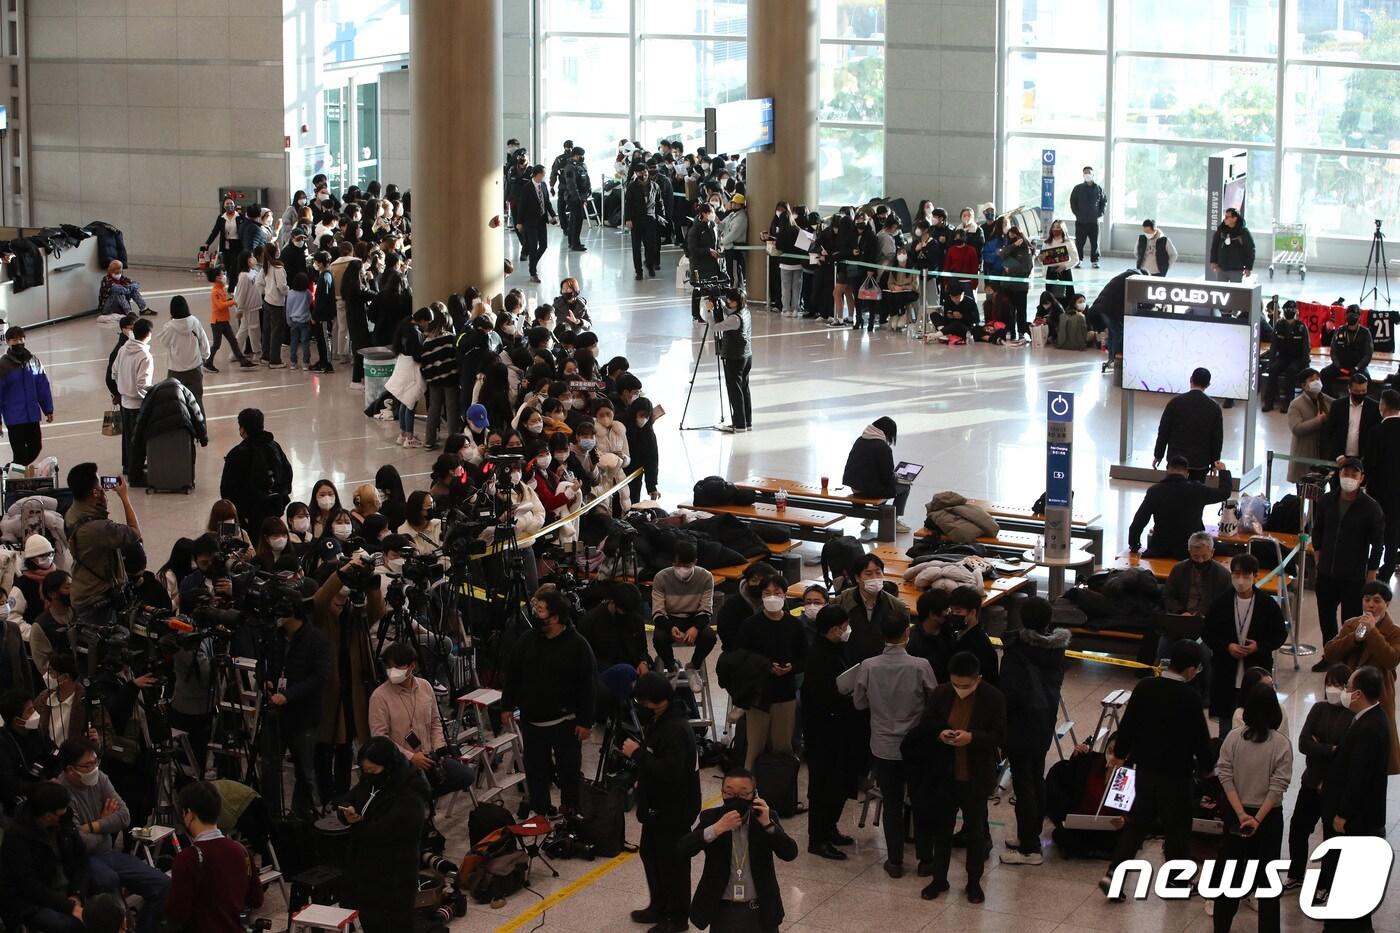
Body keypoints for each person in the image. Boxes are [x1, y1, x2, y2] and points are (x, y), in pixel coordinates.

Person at [1101, 640, 1215, 897]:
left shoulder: (1145, 686)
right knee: (1177, 828)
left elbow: (1128, 725)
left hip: (1146, 770)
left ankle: (1114, 874)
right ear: (1191, 669)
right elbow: (1200, 738)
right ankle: (1175, 880)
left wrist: (1119, 754)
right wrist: (1208, 768)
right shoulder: (1189, 697)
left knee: (1137, 824)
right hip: (1176, 775)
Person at [906, 650, 1007, 903]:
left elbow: (999, 736)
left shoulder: (993, 698)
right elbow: (928, 725)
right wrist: (941, 734)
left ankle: (974, 883)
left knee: (974, 833)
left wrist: (972, 738)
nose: (960, 689)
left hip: (975, 777)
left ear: (978, 679)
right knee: (942, 831)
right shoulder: (941, 693)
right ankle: (939, 879)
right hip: (944, 775)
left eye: (966, 685)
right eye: (956, 684)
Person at [852, 612, 937, 878]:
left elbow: (859, 702)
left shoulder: (868, 666)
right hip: (915, 745)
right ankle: (925, 859)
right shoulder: (920, 665)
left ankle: (896, 861)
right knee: (921, 801)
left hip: (883, 745)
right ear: (906, 633)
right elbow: (934, 701)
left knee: (892, 803)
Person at [56, 739, 169, 933]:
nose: (94, 768)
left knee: (163, 885)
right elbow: (79, 844)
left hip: (109, 854)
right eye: (88, 765)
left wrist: (92, 825)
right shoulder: (61, 794)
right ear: (70, 769)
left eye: (95, 762)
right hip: (84, 861)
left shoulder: (100, 779)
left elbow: (125, 817)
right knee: (108, 881)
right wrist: (106, 826)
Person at [502, 588, 597, 816]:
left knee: (569, 772)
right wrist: (507, 705)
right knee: (536, 771)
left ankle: (570, 810)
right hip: (532, 723)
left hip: (565, 722)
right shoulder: (527, 640)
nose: (535, 613)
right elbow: (513, 674)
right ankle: (541, 809)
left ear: (554, 618)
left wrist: (586, 722)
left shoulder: (578, 646)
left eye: (540, 610)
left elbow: (589, 686)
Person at [621, 672, 701, 933]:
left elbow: (670, 772)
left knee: (672, 864)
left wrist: (638, 754)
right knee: (651, 855)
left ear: (660, 701)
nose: (641, 708)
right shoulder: (660, 720)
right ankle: (659, 906)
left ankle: (677, 918)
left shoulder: (675, 729)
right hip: (657, 806)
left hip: (673, 809)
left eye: (644, 703)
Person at [1212, 682, 1292, 932]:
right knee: (1267, 882)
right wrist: (1257, 819)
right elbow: (1278, 786)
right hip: (1268, 818)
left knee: (1230, 877)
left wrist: (1241, 814)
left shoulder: (1233, 738)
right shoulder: (1281, 744)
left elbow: (1224, 774)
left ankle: (1221, 927)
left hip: (1237, 816)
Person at [678, 770, 798, 933]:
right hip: (723, 910)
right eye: (730, 793)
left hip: (761, 908)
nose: (736, 798)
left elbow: (790, 853)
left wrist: (769, 825)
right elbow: (683, 849)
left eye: (743, 794)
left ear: (754, 795)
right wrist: (716, 829)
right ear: (722, 793)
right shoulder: (712, 817)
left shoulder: (765, 818)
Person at [998, 597, 1069, 866]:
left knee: (1023, 784)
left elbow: (1010, 692)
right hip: (1044, 719)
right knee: (1035, 777)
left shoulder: (1018, 649)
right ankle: (1031, 835)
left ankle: (1029, 847)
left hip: (1020, 722)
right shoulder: (1056, 647)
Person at [336, 737, 431, 933]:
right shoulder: (371, 781)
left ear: (388, 765)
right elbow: (349, 798)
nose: (369, 775)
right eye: (366, 770)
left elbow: (386, 830)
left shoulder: (411, 790)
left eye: (373, 770)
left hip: (394, 875)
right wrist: (346, 811)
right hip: (362, 870)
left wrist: (358, 825)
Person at [368, 643, 474, 798]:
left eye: (398, 667)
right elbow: (379, 738)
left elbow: (435, 722)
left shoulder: (425, 686)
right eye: (389, 668)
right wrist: (411, 757)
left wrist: (438, 750)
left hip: (429, 755)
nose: (392, 672)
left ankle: (424, 798)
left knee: (465, 775)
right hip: (401, 763)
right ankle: (418, 800)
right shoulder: (379, 697)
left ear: (412, 665)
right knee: (417, 788)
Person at [800, 605, 862, 860]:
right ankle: (818, 838)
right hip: (823, 733)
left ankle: (830, 829)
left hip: (838, 730)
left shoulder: (834, 650)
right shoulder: (819, 657)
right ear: (835, 629)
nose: (847, 631)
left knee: (838, 784)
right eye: (845, 626)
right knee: (824, 786)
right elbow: (825, 697)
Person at [1202, 554, 1288, 736]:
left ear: (1255, 576)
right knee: (1226, 724)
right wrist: (1227, 646)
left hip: (1256, 669)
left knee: (1257, 720)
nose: (1240, 580)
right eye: (1236, 574)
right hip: (1226, 670)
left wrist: (1259, 646)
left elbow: (1280, 634)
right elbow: (1208, 632)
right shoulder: (1221, 603)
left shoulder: (1267, 604)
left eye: (1246, 575)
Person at [1285, 663, 1353, 888]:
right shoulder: (1318, 709)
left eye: (1337, 684)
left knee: (1331, 837)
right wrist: (1329, 749)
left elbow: (1345, 753)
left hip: (1334, 788)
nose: (1331, 689)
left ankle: (1326, 882)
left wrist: (1321, 747)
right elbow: (1303, 743)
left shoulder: (1352, 717)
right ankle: (1296, 874)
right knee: (1298, 829)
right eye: (1329, 684)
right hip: (1311, 782)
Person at [263, 593, 330, 819]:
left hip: (304, 715)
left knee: (305, 770)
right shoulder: (274, 636)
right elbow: (264, 662)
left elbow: (320, 677)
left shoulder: (316, 639)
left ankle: (300, 815)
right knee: (270, 765)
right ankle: (271, 814)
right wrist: (266, 679)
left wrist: (289, 695)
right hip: (275, 714)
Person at [1322, 580, 1400, 774]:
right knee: (1344, 753)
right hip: (1349, 692)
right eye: (1366, 600)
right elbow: (1330, 652)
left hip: (1378, 695)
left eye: (1377, 600)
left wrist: (1373, 633)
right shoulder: (1352, 625)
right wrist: (1355, 638)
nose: (1371, 605)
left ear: (1387, 603)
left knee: (1373, 758)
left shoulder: (1394, 632)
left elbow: (1391, 660)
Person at [165, 781, 263, 933]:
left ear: (189, 814)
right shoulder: (241, 851)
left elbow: (177, 914)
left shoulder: (187, 858)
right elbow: (256, 899)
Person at [1312, 457, 1385, 659]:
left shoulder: (1371, 508)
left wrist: (1371, 575)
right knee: (1326, 620)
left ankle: (1348, 662)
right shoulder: (1327, 501)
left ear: (1362, 478)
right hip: (1326, 574)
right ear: (1339, 474)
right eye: (1346, 473)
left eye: (1354, 474)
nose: (1349, 478)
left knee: (1351, 623)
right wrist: (1318, 559)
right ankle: (1329, 655)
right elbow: (1317, 531)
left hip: (1353, 577)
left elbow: (1378, 544)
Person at [736, 576, 805, 770]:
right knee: (755, 746)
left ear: (785, 595)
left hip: (785, 693)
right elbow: (740, 656)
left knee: (783, 746)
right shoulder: (750, 625)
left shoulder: (794, 625)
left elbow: (804, 658)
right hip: (759, 693)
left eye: (777, 593)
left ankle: (781, 790)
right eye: (767, 593)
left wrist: (791, 668)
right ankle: (750, 789)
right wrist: (765, 666)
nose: (772, 597)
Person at [0, 781, 88, 933]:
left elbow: (81, 859)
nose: (67, 812)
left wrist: (77, 894)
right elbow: (29, 885)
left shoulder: (64, 822)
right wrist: (68, 907)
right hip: (31, 902)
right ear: (48, 816)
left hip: (67, 891)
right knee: (73, 925)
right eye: (62, 811)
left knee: (104, 914)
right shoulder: (16, 838)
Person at [64, 465, 141, 626]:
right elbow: (135, 533)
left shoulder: (72, 513)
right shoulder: (99, 529)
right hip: (98, 602)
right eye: (100, 487)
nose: (104, 490)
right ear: (94, 493)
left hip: (83, 591)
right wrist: (124, 497)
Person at [1127, 456, 1232, 559]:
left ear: (1167, 470)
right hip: (1191, 549)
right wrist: (1223, 471)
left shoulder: (1154, 491)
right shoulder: (1197, 490)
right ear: (1187, 474)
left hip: (1161, 549)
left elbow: (1139, 520)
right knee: (1227, 549)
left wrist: (1134, 544)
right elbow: (1224, 493)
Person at [219, 408, 293, 534]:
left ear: (242, 429)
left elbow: (227, 489)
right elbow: (287, 472)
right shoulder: (274, 446)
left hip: (251, 514)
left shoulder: (238, 453)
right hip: (276, 506)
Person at [650, 540, 716, 672]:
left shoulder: (706, 577)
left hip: (694, 617)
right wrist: (670, 628)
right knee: (659, 638)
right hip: (670, 618)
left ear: (695, 562)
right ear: (673, 563)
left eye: (687, 565)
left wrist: (695, 628)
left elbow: (706, 610)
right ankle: (671, 667)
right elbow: (658, 612)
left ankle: (693, 665)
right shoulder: (661, 578)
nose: (682, 570)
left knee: (709, 636)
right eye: (678, 565)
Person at [841, 417, 911, 540]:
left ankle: (870, 517)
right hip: (868, 490)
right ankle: (894, 520)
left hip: (855, 488)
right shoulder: (883, 447)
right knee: (904, 487)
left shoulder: (860, 440)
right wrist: (895, 478)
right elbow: (886, 477)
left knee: (882, 487)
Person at [835, 554, 911, 662]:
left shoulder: (896, 606)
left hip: (883, 665)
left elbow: (903, 641)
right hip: (850, 663)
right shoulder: (842, 601)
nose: (875, 578)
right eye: (868, 574)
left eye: (878, 573)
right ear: (857, 577)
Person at [1152, 367, 1224, 480]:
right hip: (1200, 462)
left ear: (1191, 379)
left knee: (1175, 494)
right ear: (1208, 385)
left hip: (1176, 460)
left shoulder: (1175, 402)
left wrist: (1158, 454)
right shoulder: (1214, 407)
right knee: (1196, 495)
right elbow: (1217, 438)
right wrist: (1214, 461)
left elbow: (1164, 431)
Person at [0, 326, 52, 465]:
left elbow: (42, 385)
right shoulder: (3, 365)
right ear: (8, 342)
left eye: (21, 339)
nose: (19, 342)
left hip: (32, 415)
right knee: (20, 454)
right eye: (14, 340)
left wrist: (48, 409)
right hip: (14, 417)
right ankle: (15, 480)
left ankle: (11, 470)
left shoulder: (33, 361)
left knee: (36, 447)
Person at [0, 688, 56, 814]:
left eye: (33, 708)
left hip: (45, 787)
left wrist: (56, 776)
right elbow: (10, 784)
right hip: (19, 800)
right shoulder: (4, 744)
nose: (35, 714)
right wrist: (44, 786)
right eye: (30, 711)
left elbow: (54, 754)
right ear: (17, 721)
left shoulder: (38, 732)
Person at [113, 317, 155, 477]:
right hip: (138, 404)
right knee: (138, 440)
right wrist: (152, 396)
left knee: (127, 437)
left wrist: (122, 386)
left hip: (125, 401)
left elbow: (114, 371)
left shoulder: (124, 348)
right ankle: (135, 473)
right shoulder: (145, 355)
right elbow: (142, 384)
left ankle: (128, 466)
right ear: (148, 334)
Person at [1366, 390, 1400, 580]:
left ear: (1383, 406)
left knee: (1377, 530)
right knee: (1394, 531)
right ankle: (1387, 570)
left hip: (1379, 491)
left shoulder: (1377, 432)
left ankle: (1372, 566)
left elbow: (1370, 464)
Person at [157, 296, 212, 407]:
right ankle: (200, 424)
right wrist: (205, 356)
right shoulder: (194, 322)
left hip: (175, 370)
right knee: (197, 403)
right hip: (195, 369)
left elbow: (164, 343)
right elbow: (204, 342)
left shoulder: (169, 327)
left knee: (177, 404)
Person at [1163, 531, 1233, 617]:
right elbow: (1168, 595)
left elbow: (1226, 604)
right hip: (1181, 616)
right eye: (1195, 556)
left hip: (1210, 619)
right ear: (1190, 552)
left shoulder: (1223, 575)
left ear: (1212, 552)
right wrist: (1181, 611)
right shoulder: (1179, 570)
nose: (1200, 560)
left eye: (1204, 556)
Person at [942, 586, 1001, 685]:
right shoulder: (954, 633)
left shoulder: (980, 646)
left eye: (958, 611)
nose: (953, 614)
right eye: (951, 610)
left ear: (972, 613)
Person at [714, 288, 753, 433]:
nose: (728, 301)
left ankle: (739, 425)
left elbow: (714, 327)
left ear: (735, 301)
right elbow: (729, 312)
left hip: (734, 357)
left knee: (734, 391)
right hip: (746, 356)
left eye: (729, 299)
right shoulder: (745, 311)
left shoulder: (734, 319)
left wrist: (711, 311)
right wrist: (721, 304)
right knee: (744, 389)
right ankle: (747, 422)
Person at [204, 267, 256, 372]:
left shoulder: (221, 289)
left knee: (233, 341)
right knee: (217, 344)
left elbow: (224, 301)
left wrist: (230, 300)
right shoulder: (215, 291)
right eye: (222, 275)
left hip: (224, 320)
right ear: (217, 278)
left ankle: (243, 361)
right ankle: (208, 362)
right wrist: (232, 302)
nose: (224, 277)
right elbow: (220, 305)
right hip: (217, 322)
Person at [1263, 301, 1310, 412]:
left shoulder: (1301, 327)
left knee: (1291, 370)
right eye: (1287, 310)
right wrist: (1270, 363)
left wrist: (1306, 363)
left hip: (1297, 359)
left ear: (1295, 312)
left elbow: (1306, 347)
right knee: (1273, 369)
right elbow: (1274, 346)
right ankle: (1269, 401)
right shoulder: (1279, 325)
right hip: (1283, 357)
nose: (1289, 312)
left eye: (1291, 310)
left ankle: (1288, 402)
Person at [1325, 372, 1381, 463]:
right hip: (1340, 457)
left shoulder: (1374, 407)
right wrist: (1338, 455)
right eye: (1357, 391)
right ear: (1349, 389)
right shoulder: (1337, 405)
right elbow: (1330, 432)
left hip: (1364, 458)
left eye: (1363, 391)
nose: (1360, 394)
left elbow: (1376, 436)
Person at [1287, 368, 1331, 484]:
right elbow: (1296, 429)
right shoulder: (1296, 404)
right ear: (1303, 385)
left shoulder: (1325, 400)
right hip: (1304, 454)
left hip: (1321, 453)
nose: (1316, 382)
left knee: (1318, 493)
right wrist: (1318, 421)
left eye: (1318, 379)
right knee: (1301, 492)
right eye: (1312, 380)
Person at [515, 163, 557, 283]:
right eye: (542, 175)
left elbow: (547, 202)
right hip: (530, 221)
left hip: (542, 220)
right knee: (533, 247)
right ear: (537, 174)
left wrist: (553, 215)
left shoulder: (543, 185)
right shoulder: (526, 187)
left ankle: (532, 263)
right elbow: (521, 206)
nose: (543, 177)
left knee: (544, 245)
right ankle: (533, 272)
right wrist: (519, 222)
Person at [1320, 304, 1374, 391]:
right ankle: (1330, 397)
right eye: (1349, 315)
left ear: (1359, 317)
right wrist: (1337, 365)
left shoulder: (1365, 332)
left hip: (1358, 366)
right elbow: (1333, 351)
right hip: (1340, 365)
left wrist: (1358, 367)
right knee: (1324, 373)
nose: (1351, 317)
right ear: (1345, 316)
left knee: (1367, 379)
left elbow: (1368, 354)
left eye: (1354, 315)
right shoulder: (1339, 330)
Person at [624, 164, 663, 281]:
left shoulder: (655, 186)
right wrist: (628, 219)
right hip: (636, 220)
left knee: (650, 246)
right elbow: (628, 204)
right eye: (640, 173)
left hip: (650, 220)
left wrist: (661, 216)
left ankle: (650, 266)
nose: (643, 175)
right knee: (636, 248)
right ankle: (638, 271)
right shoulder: (631, 187)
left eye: (645, 172)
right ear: (636, 173)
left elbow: (659, 202)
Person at [1069, 165, 1106, 268]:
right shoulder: (1078, 188)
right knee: (1080, 242)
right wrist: (1077, 213)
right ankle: (1078, 260)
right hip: (1081, 221)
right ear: (1083, 175)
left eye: (1089, 172)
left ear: (1093, 174)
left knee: (1095, 242)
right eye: (1085, 173)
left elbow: (1104, 202)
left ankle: (1095, 261)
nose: (1087, 174)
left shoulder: (1098, 189)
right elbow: (1073, 202)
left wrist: (1100, 213)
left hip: (1094, 222)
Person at [203, 198, 248, 274]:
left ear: (234, 205)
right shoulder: (221, 218)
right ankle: (230, 280)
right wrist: (208, 243)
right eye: (227, 204)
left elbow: (246, 229)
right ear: (224, 206)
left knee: (234, 264)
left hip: (237, 244)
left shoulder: (240, 217)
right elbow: (215, 232)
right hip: (226, 244)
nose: (230, 205)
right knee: (227, 264)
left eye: (231, 203)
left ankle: (233, 282)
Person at [1210, 207, 1255, 282]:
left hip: (1236, 270)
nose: (1225, 219)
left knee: (1235, 292)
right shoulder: (1221, 230)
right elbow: (1214, 245)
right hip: (1221, 268)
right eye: (1225, 217)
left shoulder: (1244, 233)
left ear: (1234, 219)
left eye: (1227, 217)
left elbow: (1250, 250)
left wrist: (1248, 268)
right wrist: (1213, 261)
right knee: (1221, 291)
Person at [561, 146, 592, 251]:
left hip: (581, 196)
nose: (582, 157)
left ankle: (573, 242)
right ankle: (575, 244)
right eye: (580, 155)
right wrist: (577, 197)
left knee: (574, 220)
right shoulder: (570, 167)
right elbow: (571, 184)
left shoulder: (580, 166)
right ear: (576, 155)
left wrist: (588, 191)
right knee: (577, 220)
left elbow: (586, 178)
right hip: (574, 197)